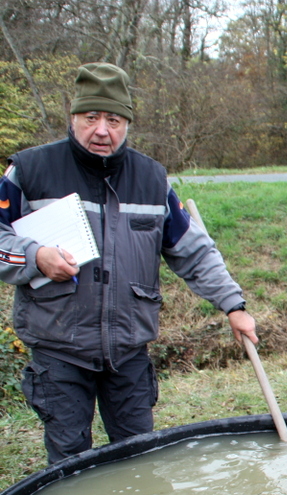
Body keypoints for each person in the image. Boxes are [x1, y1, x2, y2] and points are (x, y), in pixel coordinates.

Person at [0, 62, 257, 464]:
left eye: (114, 119)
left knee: (140, 461)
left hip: (128, 352)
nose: (103, 130)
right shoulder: (29, 171)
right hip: (58, 351)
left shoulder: (152, 179)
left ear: (127, 123)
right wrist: (36, 257)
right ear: (73, 117)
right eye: (92, 118)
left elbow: (193, 250)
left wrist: (234, 306)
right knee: (69, 466)